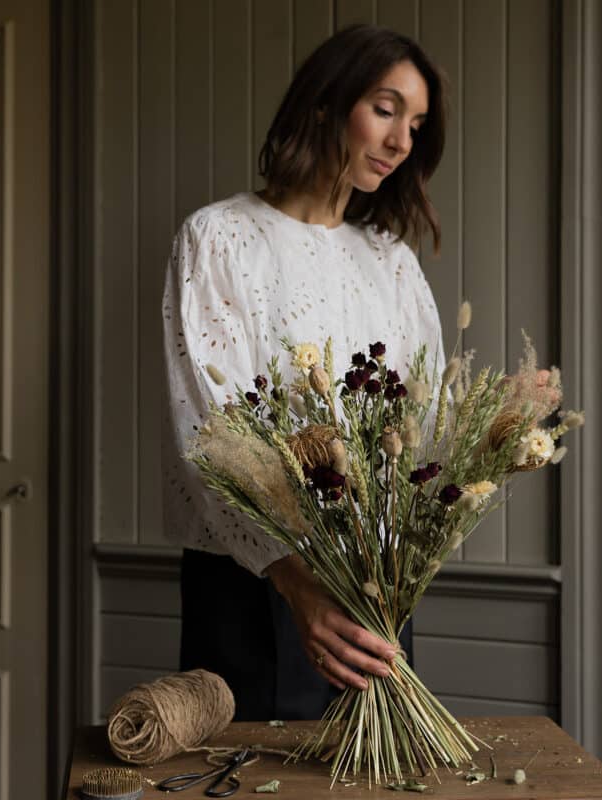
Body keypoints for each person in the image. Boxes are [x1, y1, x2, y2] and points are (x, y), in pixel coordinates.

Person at [162, 24, 448, 721]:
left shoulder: (390, 262)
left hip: (375, 587)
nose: (401, 141)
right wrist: (296, 583)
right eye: (385, 110)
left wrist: (394, 565)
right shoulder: (218, 239)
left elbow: (428, 423)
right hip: (251, 586)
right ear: (324, 104)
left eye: (415, 123)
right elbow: (210, 431)